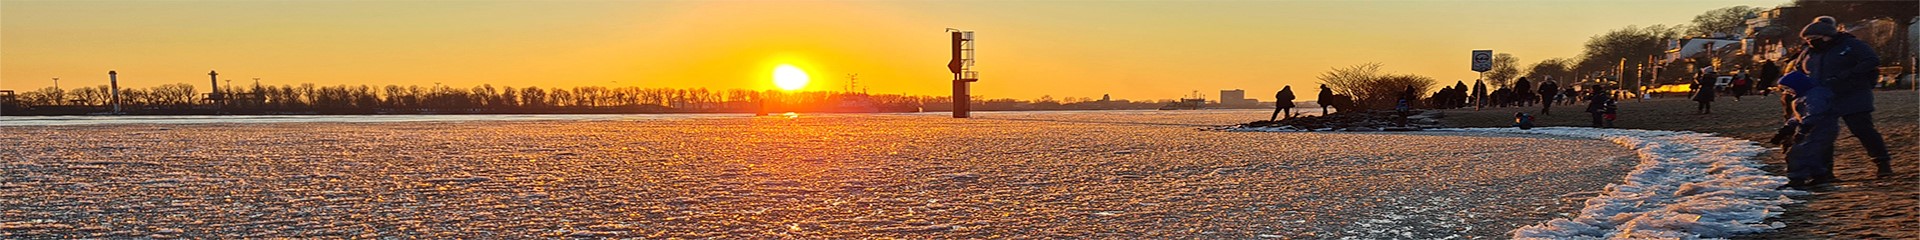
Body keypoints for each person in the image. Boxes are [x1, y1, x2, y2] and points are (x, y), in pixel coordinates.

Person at [1785, 16, 1894, 188]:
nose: (1812, 42)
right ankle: (1826, 172)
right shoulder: (1808, 52)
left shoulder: (1852, 45)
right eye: (1808, 40)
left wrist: (1848, 74)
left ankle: (1882, 163)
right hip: (1822, 97)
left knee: (1862, 129)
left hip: (1853, 93)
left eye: (1815, 39)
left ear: (1828, 34)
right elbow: (1800, 71)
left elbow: (1871, 61)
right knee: (1822, 134)